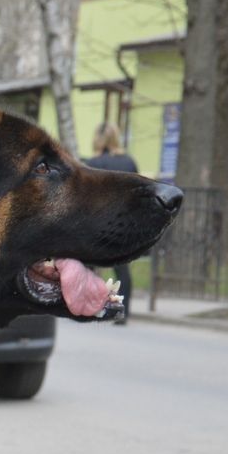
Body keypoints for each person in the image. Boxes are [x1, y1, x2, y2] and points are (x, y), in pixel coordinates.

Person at [84, 123, 139, 323]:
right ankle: (120, 311)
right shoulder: (129, 162)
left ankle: (86, 308)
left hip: (96, 225)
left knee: (87, 268)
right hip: (124, 224)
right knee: (122, 272)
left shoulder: (92, 163)